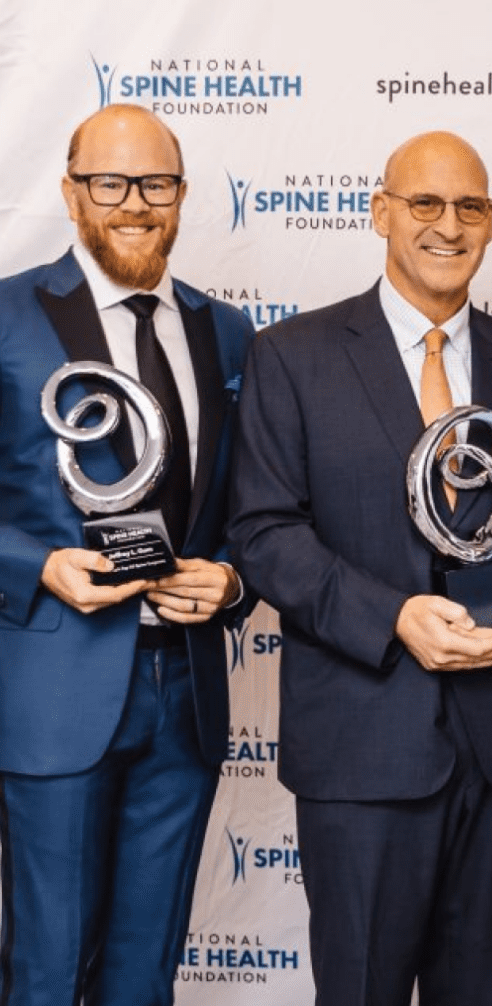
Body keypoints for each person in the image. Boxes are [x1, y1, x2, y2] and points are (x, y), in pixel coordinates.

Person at [228, 131, 492, 1006]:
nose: (447, 226)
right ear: (380, 211)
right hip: (364, 747)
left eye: (469, 207)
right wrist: (393, 617)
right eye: (425, 203)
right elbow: (266, 533)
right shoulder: (293, 356)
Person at [0, 104, 252, 1006]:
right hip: (57, 693)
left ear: (181, 195)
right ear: (72, 194)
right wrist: (38, 566)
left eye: (156, 183)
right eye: (110, 183)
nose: (135, 203)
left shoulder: (227, 330)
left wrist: (233, 578)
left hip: (185, 695)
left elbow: (252, 506)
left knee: (145, 977)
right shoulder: (8, 314)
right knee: (47, 973)